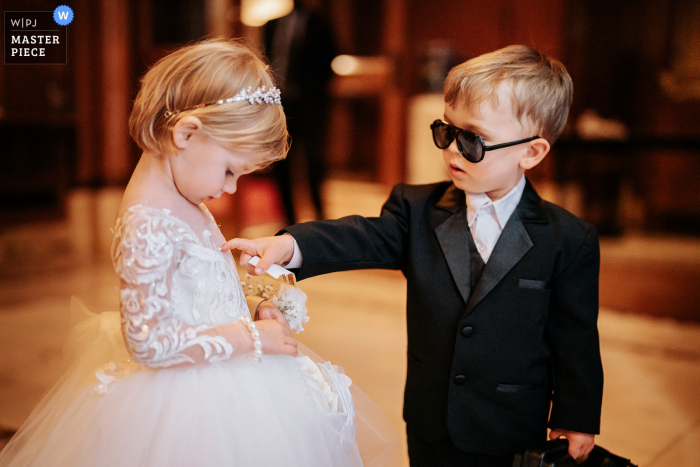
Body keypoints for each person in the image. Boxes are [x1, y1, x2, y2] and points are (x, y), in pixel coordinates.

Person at [0, 40, 398, 467]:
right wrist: (251, 338)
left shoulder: (187, 199)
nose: (230, 188)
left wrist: (253, 306)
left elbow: (196, 301)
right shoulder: (148, 222)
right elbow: (148, 342)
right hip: (184, 409)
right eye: (230, 170)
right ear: (186, 134)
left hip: (227, 378)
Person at [225, 45, 604, 467]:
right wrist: (289, 245)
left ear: (531, 153)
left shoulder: (569, 239)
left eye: (473, 141)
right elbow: (361, 236)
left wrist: (576, 417)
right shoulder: (417, 209)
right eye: (446, 132)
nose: (453, 150)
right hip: (432, 419)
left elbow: (577, 339)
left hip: (512, 425)